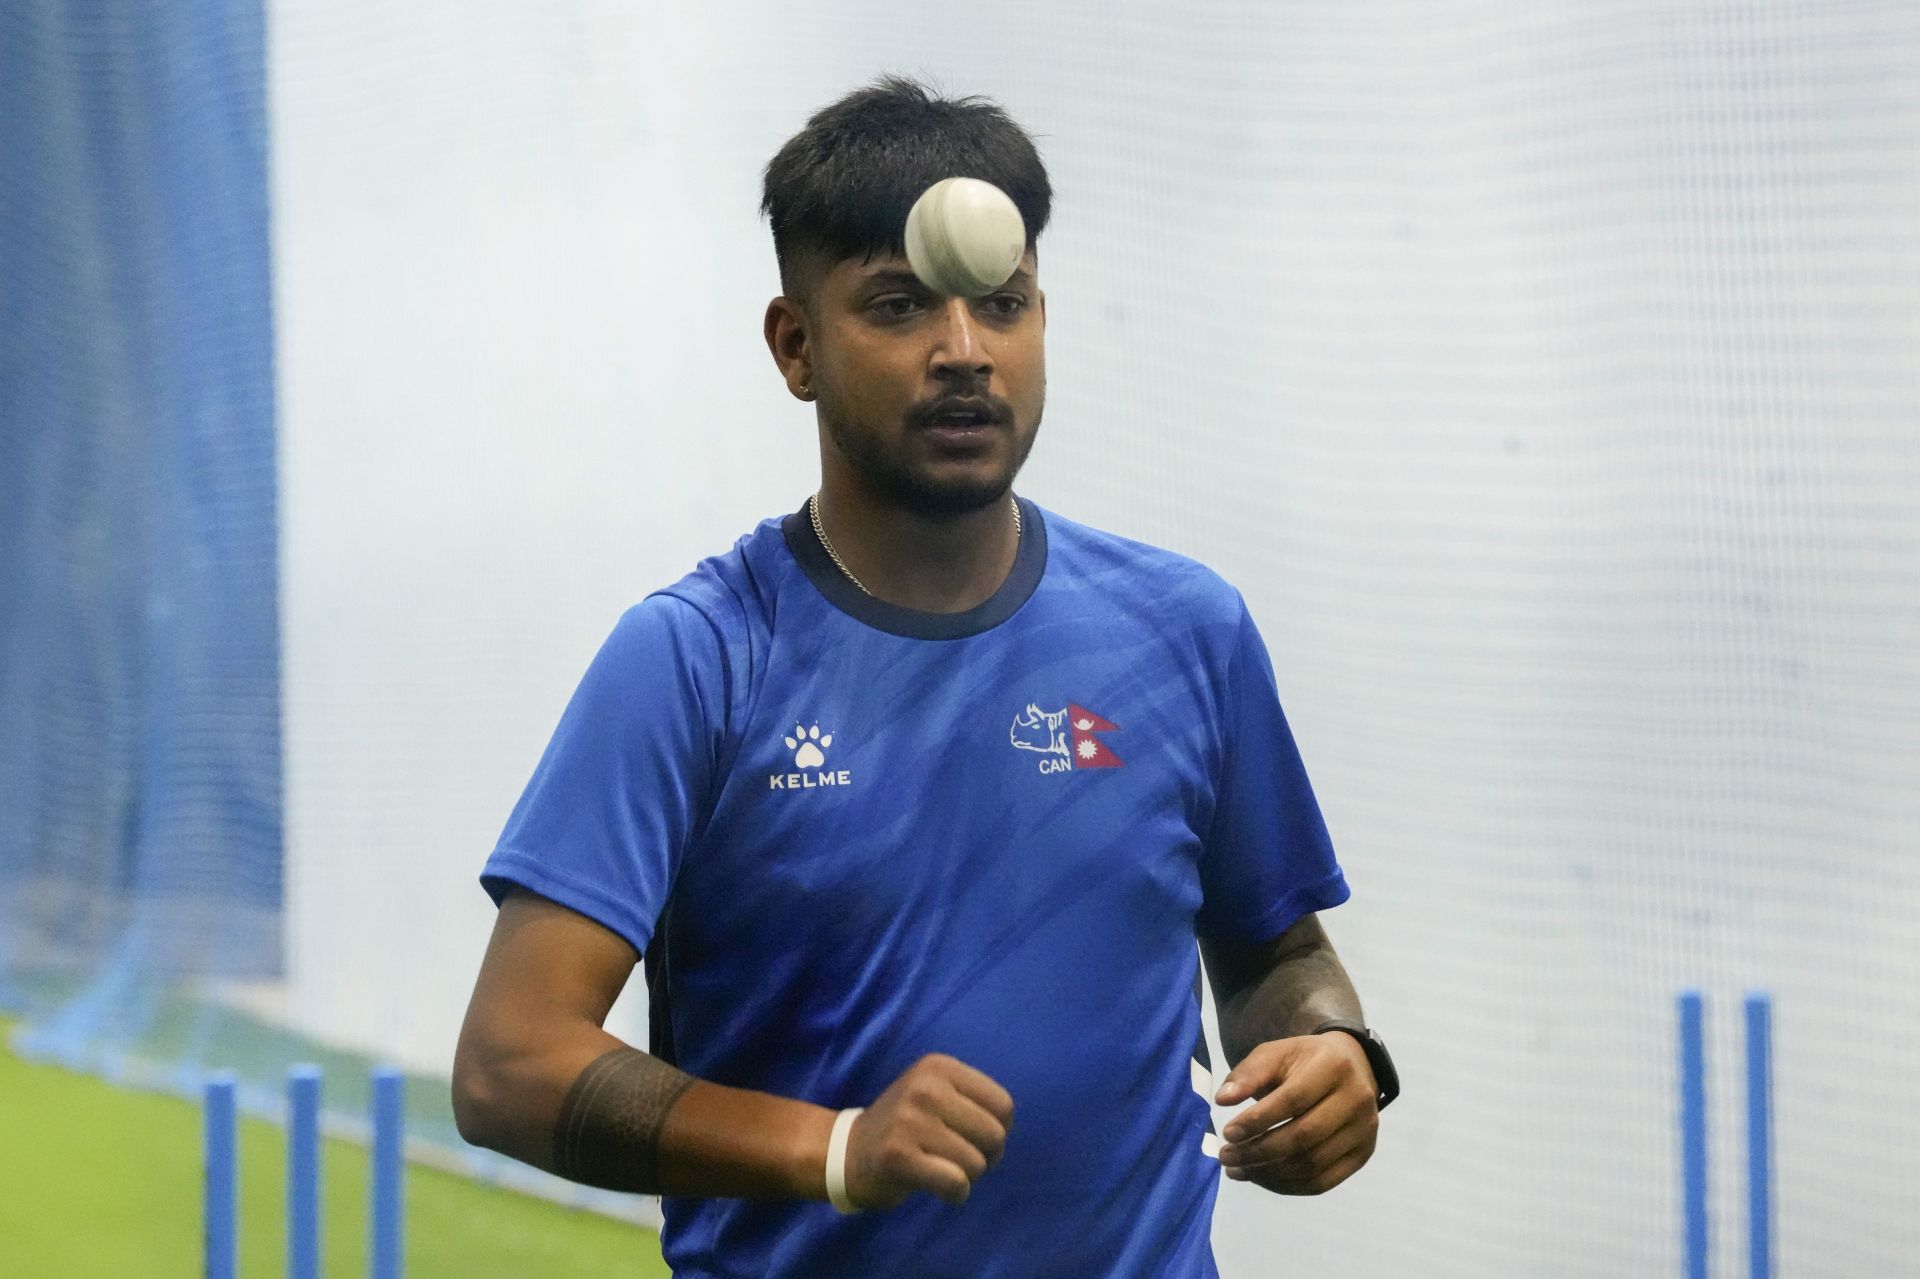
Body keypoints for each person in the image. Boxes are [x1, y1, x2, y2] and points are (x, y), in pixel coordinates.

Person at [452, 74, 1398, 1277]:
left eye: (1001, 305)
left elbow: (1278, 953)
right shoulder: (697, 658)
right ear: (796, 346)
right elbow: (510, 1063)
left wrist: (1336, 1052)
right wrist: (835, 1147)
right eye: (898, 307)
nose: (963, 352)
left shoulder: (1186, 630)